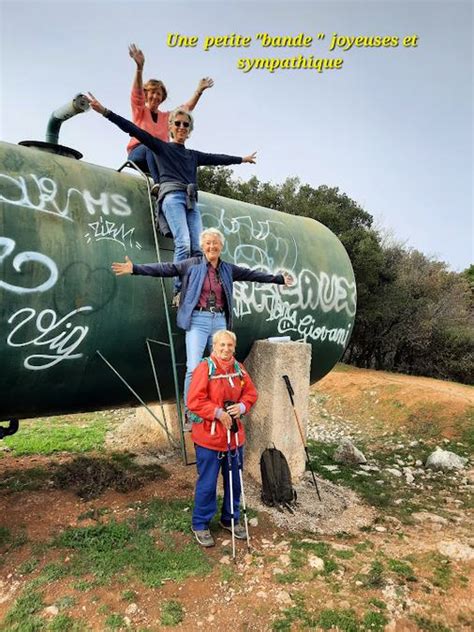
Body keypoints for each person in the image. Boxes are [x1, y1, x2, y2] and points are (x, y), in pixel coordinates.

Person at [88, 93, 256, 302]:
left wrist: (242, 159)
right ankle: (178, 291)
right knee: (183, 242)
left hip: (191, 199)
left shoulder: (192, 155)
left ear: (189, 131)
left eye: (186, 125)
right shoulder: (162, 147)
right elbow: (133, 129)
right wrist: (105, 112)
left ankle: (194, 288)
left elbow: (217, 158)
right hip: (172, 197)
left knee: (198, 248)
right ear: (171, 127)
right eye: (177, 123)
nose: (181, 127)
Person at [111, 227, 293, 409]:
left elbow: (253, 275)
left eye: (215, 242)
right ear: (202, 246)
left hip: (220, 321)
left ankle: (220, 405)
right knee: (194, 367)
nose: (211, 246)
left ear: (221, 246)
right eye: (208, 243)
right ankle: (193, 410)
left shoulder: (228, 269)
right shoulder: (192, 264)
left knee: (223, 365)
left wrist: (278, 279)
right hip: (198, 320)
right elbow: (167, 268)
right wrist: (135, 268)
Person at [186, 329, 257, 547]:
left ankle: (231, 519)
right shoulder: (204, 369)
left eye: (229, 345)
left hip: (234, 438)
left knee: (234, 481)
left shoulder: (239, 369)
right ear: (214, 347)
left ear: (234, 347)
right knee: (207, 483)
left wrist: (242, 406)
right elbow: (194, 401)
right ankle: (200, 524)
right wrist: (218, 413)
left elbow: (251, 393)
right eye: (221, 345)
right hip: (209, 438)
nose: (226, 349)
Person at [126, 43, 214, 184]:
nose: (155, 96)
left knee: (178, 157)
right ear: (146, 94)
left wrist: (199, 91)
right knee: (152, 146)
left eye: (159, 94)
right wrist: (139, 68)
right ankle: (159, 184)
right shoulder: (140, 111)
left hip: (159, 158)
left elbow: (185, 109)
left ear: (162, 98)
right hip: (138, 152)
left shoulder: (166, 118)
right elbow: (136, 94)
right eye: (153, 92)